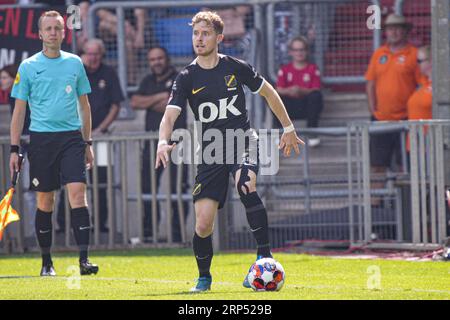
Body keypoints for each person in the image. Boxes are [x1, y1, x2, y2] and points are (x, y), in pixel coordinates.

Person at [155, 11, 303, 292]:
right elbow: (169, 116)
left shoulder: (235, 67)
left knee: (246, 185)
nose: (199, 39)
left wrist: (288, 127)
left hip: (243, 140)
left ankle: (264, 258)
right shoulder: (186, 77)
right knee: (203, 224)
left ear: (219, 38)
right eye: (196, 34)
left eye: (206, 33)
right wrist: (163, 141)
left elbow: (269, 92)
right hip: (211, 151)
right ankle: (204, 278)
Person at [9, 11, 98, 277]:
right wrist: (15, 149)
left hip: (72, 138)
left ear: (63, 32)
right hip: (41, 141)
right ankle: (46, 262)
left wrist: (87, 142)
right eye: (48, 29)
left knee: (78, 195)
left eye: (57, 28)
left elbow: (84, 105)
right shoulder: (27, 67)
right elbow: (19, 112)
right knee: (45, 200)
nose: (53, 33)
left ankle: (84, 260)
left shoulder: (75, 63)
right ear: (39, 34)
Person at [57, 38, 124, 234]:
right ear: (83, 53)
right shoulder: (74, 71)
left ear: (102, 55)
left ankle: (101, 226)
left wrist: (99, 130)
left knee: (102, 182)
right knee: (68, 180)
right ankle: (64, 226)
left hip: (100, 139)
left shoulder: (109, 73)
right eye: (89, 53)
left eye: (97, 53)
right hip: (74, 139)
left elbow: (116, 105)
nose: (93, 57)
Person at [130, 46, 188, 242]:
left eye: (160, 58)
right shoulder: (147, 80)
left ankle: (177, 235)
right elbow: (135, 102)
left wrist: (154, 102)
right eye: (152, 59)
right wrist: (158, 98)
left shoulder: (179, 77)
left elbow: (169, 105)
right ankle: (148, 234)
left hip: (177, 143)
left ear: (167, 59)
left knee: (177, 189)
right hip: (152, 144)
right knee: (148, 188)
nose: (156, 62)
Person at [365, 14, 423, 202]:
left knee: (403, 165)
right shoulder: (379, 53)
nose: (394, 32)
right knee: (376, 166)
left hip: (406, 121)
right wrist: (372, 108)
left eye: (398, 28)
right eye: (390, 28)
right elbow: (370, 83)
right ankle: (375, 207)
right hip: (381, 119)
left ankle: (404, 205)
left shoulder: (414, 54)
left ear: (405, 31)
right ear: (386, 32)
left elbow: (422, 84)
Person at [275, 36, 323, 147]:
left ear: (307, 51)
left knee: (315, 96)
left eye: (302, 50)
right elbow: (279, 89)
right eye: (296, 50)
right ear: (290, 52)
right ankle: (282, 134)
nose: (299, 53)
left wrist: (301, 91)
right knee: (275, 97)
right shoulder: (285, 69)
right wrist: (289, 91)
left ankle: (312, 134)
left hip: (307, 106)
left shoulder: (312, 69)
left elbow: (316, 89)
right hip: (290, 107)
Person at [1, 64, 31, 135]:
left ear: (15, 79)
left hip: (29, 136)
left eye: (4, 78)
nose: (1, 81)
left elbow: (26, 120)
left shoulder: (23, 96)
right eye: (0, 78)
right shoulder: (11, 95)